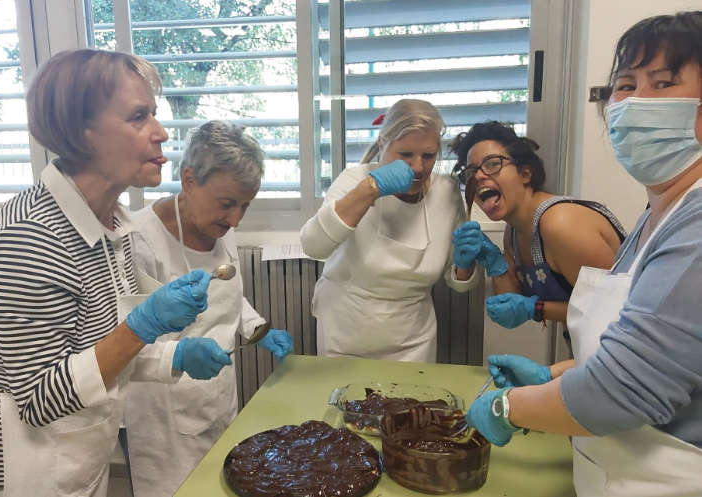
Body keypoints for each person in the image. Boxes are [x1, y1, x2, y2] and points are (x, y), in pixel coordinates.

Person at [0, 49, 217, 497]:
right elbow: (40, 400)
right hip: (2, 477)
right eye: (138, 117)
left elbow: (92, 349)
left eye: (154, 114)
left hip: (73, 460)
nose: (161, 133)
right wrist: (143, 325)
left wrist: (171, 357)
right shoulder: (30, 236)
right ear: (83, 133)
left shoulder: (112, 225)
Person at [466, 11, 702, 496]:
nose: (634, 102)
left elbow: (622, 389)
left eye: (662, 84)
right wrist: (550, 374)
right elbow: (644, 348)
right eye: (625, 85)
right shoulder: (658, 215)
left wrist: (508, 407)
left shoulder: (570, 222)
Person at [125, 120, 294, 496]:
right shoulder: (140, 241)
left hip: (218, 397)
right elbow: (126, 340)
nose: (235, 219)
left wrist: (257, 327)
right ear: (188, 180)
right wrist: (180, 355)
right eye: (227, 203)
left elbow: (228, 291)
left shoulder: (221, 228)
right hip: (163, 417)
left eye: (245, 205)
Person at [300, 98, 480, 362]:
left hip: (413, 342)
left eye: (428, 156)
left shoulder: (446, 192)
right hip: (345, 335)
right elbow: (313, 246)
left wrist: (465, 266)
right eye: (405, 154)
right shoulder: (354, 180)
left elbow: (459, 283)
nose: (418, 167)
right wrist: (368, 189)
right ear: (383, 144)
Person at [449, 122, 626, 340]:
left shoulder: (560, 223)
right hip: (595, 345)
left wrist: (538, 308)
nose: (478, 177)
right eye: (471, 172)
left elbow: (614, 309)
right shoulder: (514, 231)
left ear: (525, 173)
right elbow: (510, 306)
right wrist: (495, 263)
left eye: (493, 164)